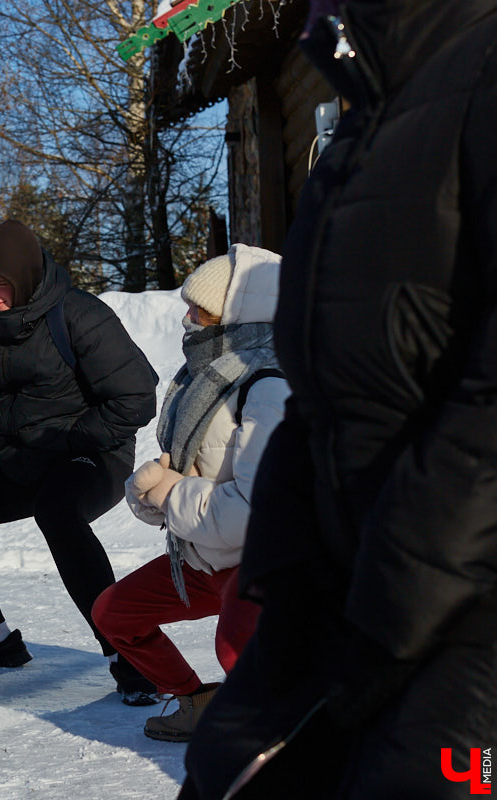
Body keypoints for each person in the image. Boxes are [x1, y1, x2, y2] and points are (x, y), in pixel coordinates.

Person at [182, 2, 497, 797]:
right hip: (340, 587)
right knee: (225, 771)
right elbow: (319, 380)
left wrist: (406, 581)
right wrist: (286, 562)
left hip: (459, 602)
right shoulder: (360, 121)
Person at [0, 219, 161, 704]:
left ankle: (129, 655)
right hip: (21, 457)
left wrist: (71, 438)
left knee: (58, 513)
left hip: (93, 454)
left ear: (25, 277)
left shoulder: (78, 314)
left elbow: (137, 398)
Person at [92, 245, 287, 743]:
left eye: (201, 310)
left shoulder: (269, 388)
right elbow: (187, 479)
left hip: (262, 561)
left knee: (236, 645)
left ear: (240, 316)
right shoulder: (203, 379)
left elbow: (253, 512)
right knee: (115, 613)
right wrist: (151, 495)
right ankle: (197, 703)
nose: (187, 319)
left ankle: (281, 737)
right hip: (204, 556)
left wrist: (171, 494)